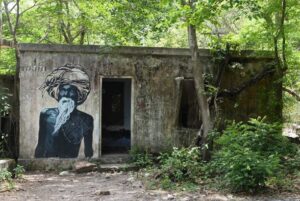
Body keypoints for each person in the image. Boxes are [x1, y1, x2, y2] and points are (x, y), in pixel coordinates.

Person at [34, 64, 93, 158]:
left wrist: (89, 163)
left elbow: (88, 148)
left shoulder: (86, 119)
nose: (66, 95)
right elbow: (40, 143)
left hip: (71, 161)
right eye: (63, 90)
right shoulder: (46, 114)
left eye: (71, 91)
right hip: (47, 160)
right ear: (58, 94)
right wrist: (36, 161)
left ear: (78, 95)